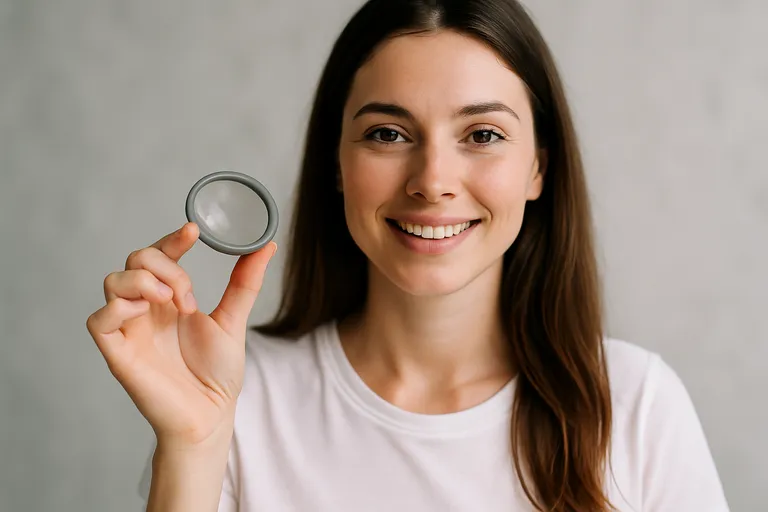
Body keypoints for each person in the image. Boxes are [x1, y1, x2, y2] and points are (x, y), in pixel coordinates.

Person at [86, 1, 730, 510]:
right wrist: (194, 445)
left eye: (483, 134)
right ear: (336, 163)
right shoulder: (237, 399)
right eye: (388, 133)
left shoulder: (635, 404)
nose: (432, 180)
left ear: (538, 168)